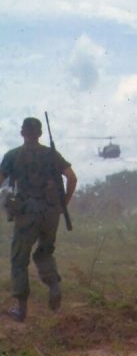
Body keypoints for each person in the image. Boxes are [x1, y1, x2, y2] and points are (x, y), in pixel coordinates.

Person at [0, 117, 77, 322]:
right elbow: (72, 177)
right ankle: (54, 285)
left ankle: (21, 309)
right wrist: (63, 204)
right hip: (51, 213)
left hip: (27, 213)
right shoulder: (51, 155)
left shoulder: (12, 156)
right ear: (40, 134)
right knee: (44, 253)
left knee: (19, 259)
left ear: (22, 133)